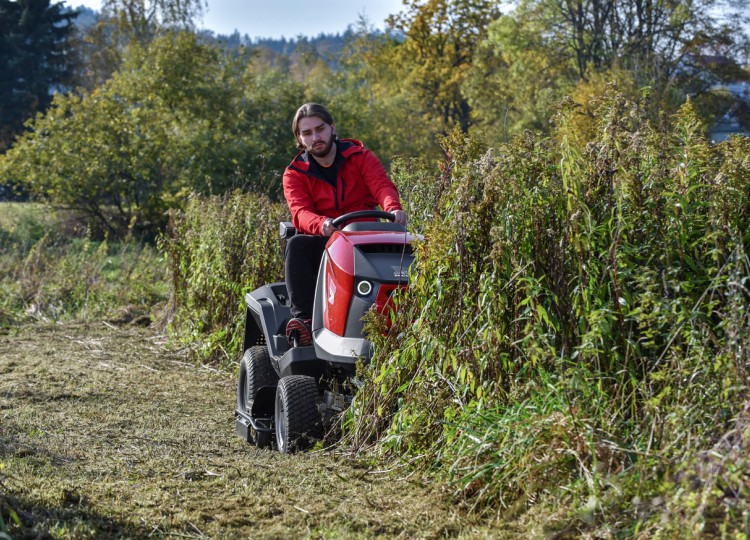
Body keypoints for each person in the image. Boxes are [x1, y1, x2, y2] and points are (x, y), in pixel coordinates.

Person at [282, 103, 407, 346]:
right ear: (299, 138)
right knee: (297, 245)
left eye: (320, 129)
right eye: (307, 133)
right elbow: (300, 212)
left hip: (365, 236)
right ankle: (305, 322)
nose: (316, 137)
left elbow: (382, 186)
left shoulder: (360, 157)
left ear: (332, 128)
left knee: (407, 247)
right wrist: (322, 223)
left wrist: (393, 208)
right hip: (325, 239)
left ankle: (405, 316)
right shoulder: (295, 173)